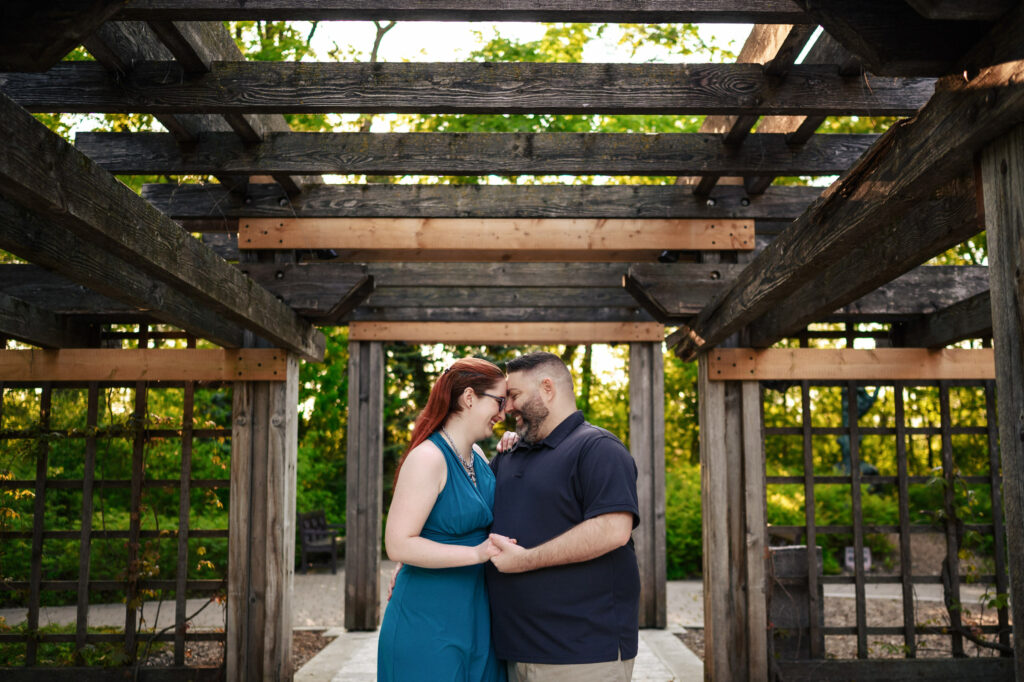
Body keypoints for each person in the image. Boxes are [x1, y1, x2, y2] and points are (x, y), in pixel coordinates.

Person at [486, 351, 641, 682]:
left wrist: (524, 560)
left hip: (582, 656)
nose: (507, 407)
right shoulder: (509, 455)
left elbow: (614, 529)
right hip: (514, 654)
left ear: (547, 388)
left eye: (514, 395)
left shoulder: (599, 448)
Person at [378, 357, 509, 682]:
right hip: (427, 618)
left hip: (476, 614)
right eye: (499, 401)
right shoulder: (427, 458)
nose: (503, 414)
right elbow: (398, 545)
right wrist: (476, 553)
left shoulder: (478, 456)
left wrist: (516, 446)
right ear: (469, 398)